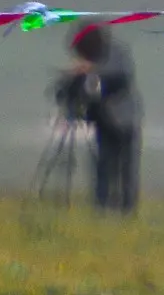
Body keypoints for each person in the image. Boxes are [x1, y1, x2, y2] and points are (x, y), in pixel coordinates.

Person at [55, 25, 141, 213]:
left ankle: (126, 209)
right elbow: (85, 91)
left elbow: (120, 79)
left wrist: (91, 71)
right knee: (103, 165)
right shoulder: (99, 57)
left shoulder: (116, 53)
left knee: (125, 168)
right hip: (104, 120)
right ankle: (101, 207)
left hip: (123, 120)